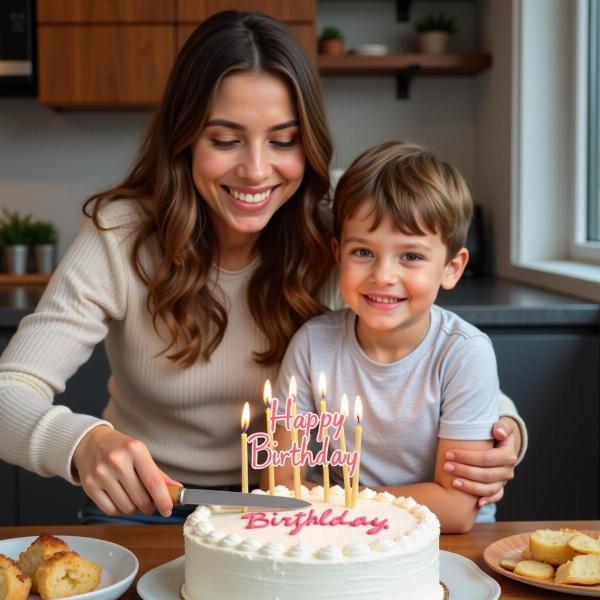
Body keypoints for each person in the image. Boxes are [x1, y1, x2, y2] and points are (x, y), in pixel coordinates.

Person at [0, 11, 522, 525]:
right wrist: (81, 441)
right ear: (183, 139)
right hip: (155, 506)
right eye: (225, 140)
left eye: (283, 140)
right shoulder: (121, 234)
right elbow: (7, 394)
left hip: (298, 508)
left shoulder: (342, 216)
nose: (255, 170)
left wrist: (504, 429)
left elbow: (431, 351)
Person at [269, 141, 518, 532]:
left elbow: (455, 510)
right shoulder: (311, 345)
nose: (383, 275)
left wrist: (338, 501)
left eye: (411, 256)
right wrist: (345, 508)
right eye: (363, 252)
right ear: (338, 253)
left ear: (452, 268)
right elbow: (280, 483)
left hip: (442, 543)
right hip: (344, 535)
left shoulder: (465, 354)